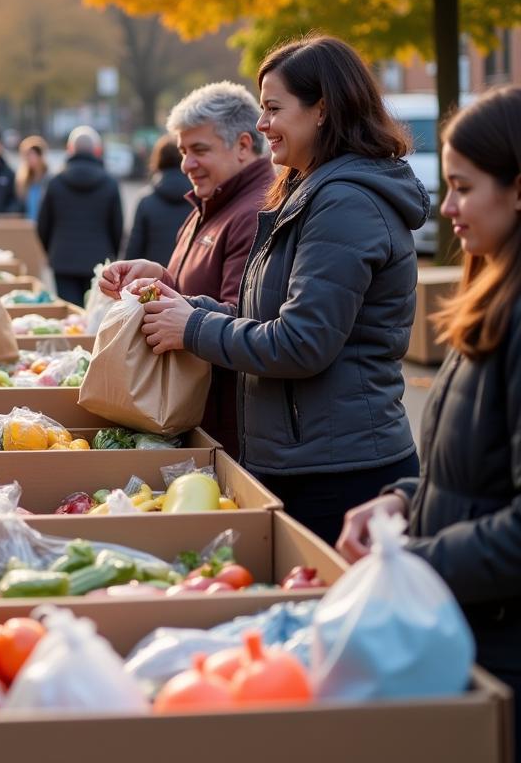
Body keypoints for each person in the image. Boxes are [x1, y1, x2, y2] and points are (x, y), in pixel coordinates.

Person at [131, 36, 428, 544]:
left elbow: (301, 342)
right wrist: (181, 305)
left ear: (322, 111)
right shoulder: (306, 190)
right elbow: (260, 314)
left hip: (339, 472)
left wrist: (194, 327)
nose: (262, 123)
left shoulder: (344, 203)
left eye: (273, 108)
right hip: (305, 460)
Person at [337, 85, 521, 763]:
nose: (445, 209)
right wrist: (403, 500)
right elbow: (475, 467)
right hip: (473, 631)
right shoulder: (494, 292)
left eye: (461, 188)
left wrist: (415, 560)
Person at [102, 82, 273, 455]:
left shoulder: (252, 214)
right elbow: (194, 291)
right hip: (201, 412)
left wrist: (178, 312)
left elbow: (246, 321)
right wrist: (158, 277)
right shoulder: (211, 204)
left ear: (244, 146)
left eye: (199, 150)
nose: (186, 164)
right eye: (182, 151)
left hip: (230, 426)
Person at [38, 126, 123, 306]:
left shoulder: (55, 182)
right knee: (94, 317)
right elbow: (117, 226)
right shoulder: (109, 183)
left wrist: (51, 249)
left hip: (63, 259)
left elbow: (43, 224)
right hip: (99, 260)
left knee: (71, 320)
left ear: (70, 149)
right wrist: (111, 254)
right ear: (97, 151)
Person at [124, 133, 194, 266]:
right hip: (189, 280)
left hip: (152, 283)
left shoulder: (146, 200)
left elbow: (133, 248)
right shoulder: (199, 200)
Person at [15, 135, 50, 222]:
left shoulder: (50, 179)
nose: (28, 158)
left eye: (32, 154)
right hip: (26, 227)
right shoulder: (22, 181)